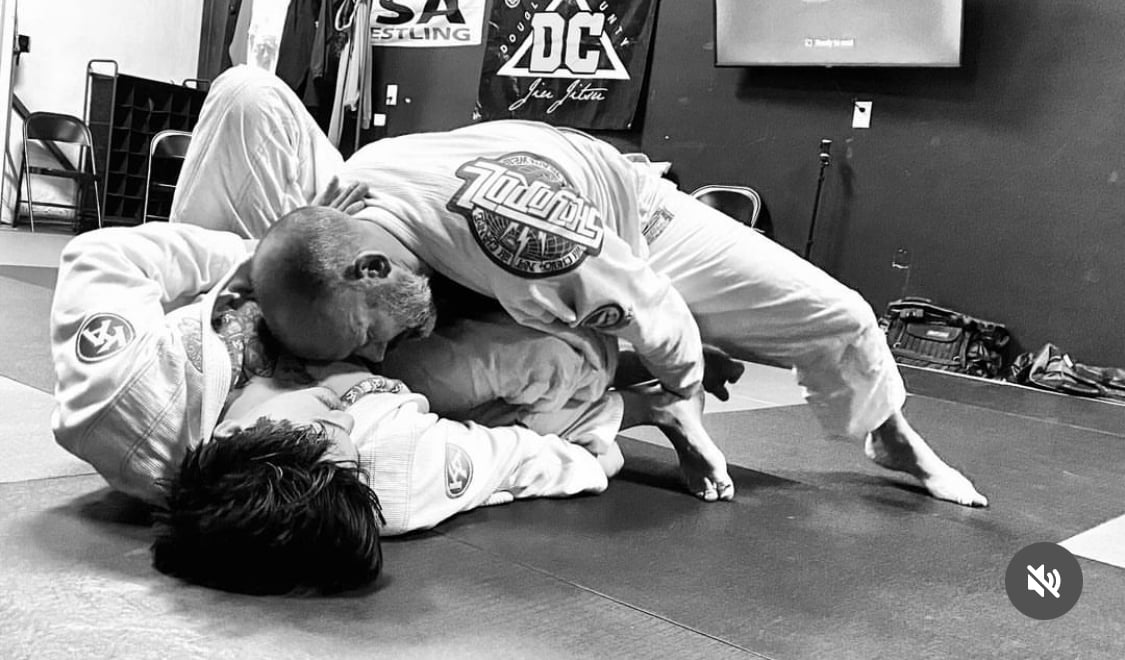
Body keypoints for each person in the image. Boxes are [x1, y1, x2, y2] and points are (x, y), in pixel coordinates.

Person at [171, 65, 986, 508]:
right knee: (246, 92)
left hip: (635, 228)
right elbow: (302, 248)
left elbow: (658, 315)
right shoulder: (344, 206)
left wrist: (683, 388)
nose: (376, 354)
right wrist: (228, 295)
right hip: (479, 258)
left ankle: (888, 433)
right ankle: (192, 331)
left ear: (375, 270)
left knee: (839, 316)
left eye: (365, 336)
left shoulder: (526, 244)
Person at [50, 221, 716, 594]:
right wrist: (623, 423)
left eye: (324, 420)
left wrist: (264, 266)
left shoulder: (121, 401)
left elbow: (101, 253)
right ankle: (647, 390)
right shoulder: (388, 476)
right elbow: (515, 460)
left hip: (297, 264)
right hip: (408, 360)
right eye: (349, 435)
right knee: (565, 363)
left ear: (234, 434)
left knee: (248, 93)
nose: (347, 411)